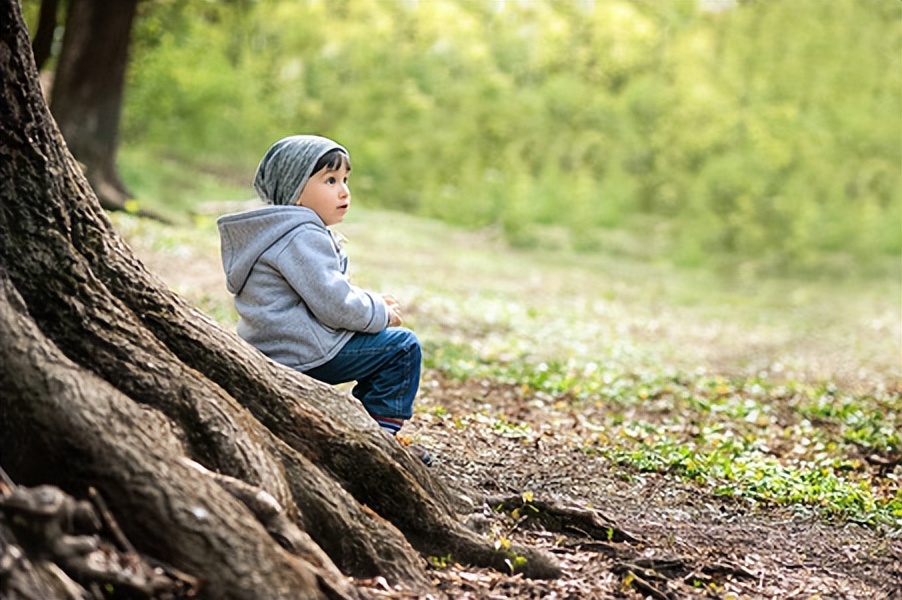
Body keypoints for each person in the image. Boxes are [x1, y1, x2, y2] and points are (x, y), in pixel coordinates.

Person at [217, 134, 432, 465]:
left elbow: (322, 290)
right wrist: (379, 313)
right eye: (330, 180)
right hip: (300, 352)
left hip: (276, 345)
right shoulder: (300, 235)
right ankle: (379, 441)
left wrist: (371, 302)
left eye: (345, 179)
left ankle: (370, 430)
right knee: (400, 347)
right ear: (295, 191)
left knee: (382, 343)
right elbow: (334, 304)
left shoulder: (276, 232)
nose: (344, 190)